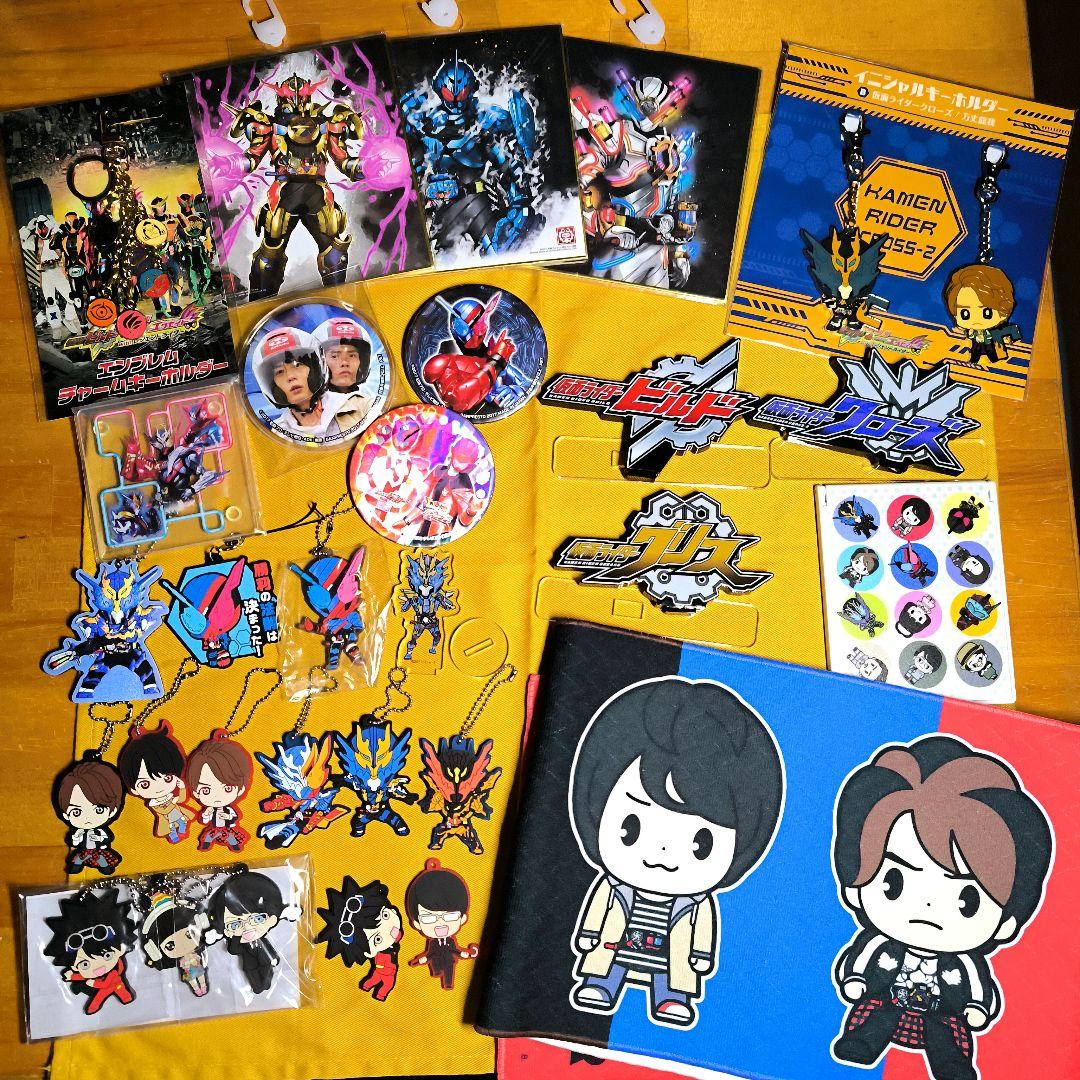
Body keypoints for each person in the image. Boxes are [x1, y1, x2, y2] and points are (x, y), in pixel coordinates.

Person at [831, 735, 1053, 1080]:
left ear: (1006, 922)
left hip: (939, 1012)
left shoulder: (965, 962)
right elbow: (861, 960)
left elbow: (977, 986)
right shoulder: (879, 945)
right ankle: (860, 1044)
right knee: (876, 1016)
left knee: (945, 1034)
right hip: (888, 1001)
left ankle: (951, 1066)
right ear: (856, 887)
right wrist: (857, 980)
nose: (928, 905)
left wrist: (977, 1007)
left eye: (967, 900)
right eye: (894, 882)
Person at [568, 677, 785, 1028]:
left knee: (671, 972)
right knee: (609, 962)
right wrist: (589, 934)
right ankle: (601, 985)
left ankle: (670, 998)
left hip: (669, 952)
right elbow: (598, 909)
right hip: (617, 942)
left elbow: (703, 927)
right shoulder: (613, 886)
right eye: (630, 828)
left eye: (701, 844)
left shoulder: (695, 902)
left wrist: (700, 954)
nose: (662, 853)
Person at [317, 877, 403, 1002]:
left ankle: (370, 987)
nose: (391, 932)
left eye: (385, 915)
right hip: (382, 970)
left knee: (377, 980)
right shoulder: (382, 949)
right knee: (382, 982)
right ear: (369, 953)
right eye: (377, 939)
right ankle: (374, 990)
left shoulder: (393, 939)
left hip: (384, 969)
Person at [117, 721, 197, 843]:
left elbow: (181, 799)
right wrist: (172, 802)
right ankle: (174, 834)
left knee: (181, 822)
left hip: (177, 813)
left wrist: (182, 788)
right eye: (145, 784)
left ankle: (180, 830)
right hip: (168, 819)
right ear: (134, 789)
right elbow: (163, 810)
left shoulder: (170, 795)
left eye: (167, 778)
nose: (159, 787)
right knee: (172, 827)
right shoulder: (154, 803)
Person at [405, 858, 477, 990]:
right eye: (429, 917)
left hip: (449, 962)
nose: (440, 923)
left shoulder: (450, 942)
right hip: (436, 964)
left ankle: (448, 983)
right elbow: (430, 954)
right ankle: (439, 973)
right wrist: (422, 960)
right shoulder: (432, 943)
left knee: (449, 970)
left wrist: (464, 953)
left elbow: (454, 951)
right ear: (417, 923)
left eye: (449, 916)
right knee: (438, 970)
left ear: (462, 918)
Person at [53, 755, 125, 875]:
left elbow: (107, 838)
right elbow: (74, 842)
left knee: (102, 861)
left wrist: (99, 839)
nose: (87, 818)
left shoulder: (101, 831)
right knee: (78, 860)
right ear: (66, 815)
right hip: (85, 851)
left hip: (99, 851)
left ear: (112, 811)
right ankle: (75, 868)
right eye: (77, 812)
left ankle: (105, 868)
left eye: (99, 810)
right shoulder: (79, 831)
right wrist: (76, 838)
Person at [187, 732, 253, 852]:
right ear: (195, 792)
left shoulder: (229, 810)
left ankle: (235, 846)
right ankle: (205, 846)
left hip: (226, 829)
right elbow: (204, 821)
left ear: (241, 789)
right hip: (214, 828)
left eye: (227, 788)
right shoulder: (209, 809)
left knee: (231, 838)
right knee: (208, 837)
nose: (217, 796)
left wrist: (228, 817)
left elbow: (234, 818)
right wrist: (206, 815)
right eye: (206, 790)